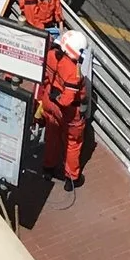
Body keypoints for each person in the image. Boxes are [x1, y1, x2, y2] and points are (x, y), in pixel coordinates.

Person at [37, 28, 89, 188]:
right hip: (67, 111)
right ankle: (71, 179)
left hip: (49, 102)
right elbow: (67, 100)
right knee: (73, 142)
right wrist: (59, 97)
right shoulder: (74, 72)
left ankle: (48, 168)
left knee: (52, 135)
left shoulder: (51, 55)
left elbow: (44, 77)